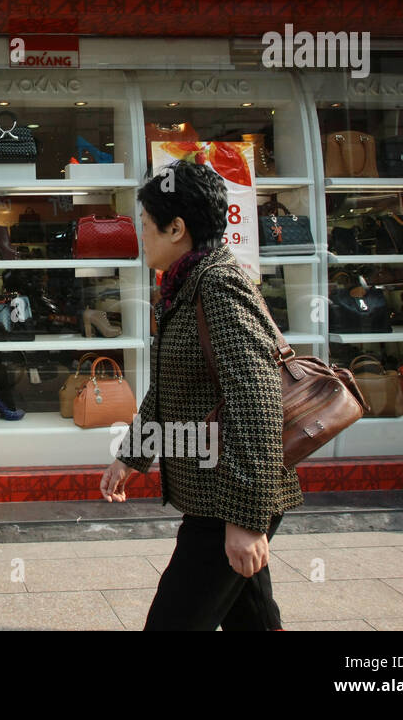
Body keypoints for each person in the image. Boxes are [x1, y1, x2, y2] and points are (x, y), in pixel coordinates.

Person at [100, 160, 300, 630]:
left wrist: (247, 519)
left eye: (146, 226)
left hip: (227, 496)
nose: (141, 237)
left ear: (177, 227)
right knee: (252, 619)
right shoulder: (187, 284)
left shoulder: (217, 284)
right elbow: (173, 387)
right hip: (220, 492)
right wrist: (130, 455)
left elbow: (255, 401)